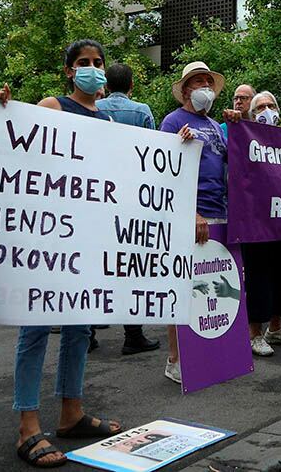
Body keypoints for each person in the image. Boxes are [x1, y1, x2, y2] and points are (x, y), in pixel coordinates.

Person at [0, 39, 123, 468]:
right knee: (36, 328)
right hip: (48, 235)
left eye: (98, 63)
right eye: (83, 63)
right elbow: (15, 146)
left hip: (86, 236)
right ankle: (28, 425)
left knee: (79, 328)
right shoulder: (53, 106)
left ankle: (71, 413)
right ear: (69, 71)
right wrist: (1, 110)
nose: (93, 69)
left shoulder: (107, 119)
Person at [159, 61, 226, 378]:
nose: (206, 89)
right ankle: (175, 360)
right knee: (182, 288)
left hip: (219, 213)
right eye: (198, 83)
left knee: (210, 289)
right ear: (185, 90)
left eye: (209, 83)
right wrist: (193, 213)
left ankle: (206, 355)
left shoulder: (214, 126)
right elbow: (166, 174)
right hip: (191, 215)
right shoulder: (173, 122)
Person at [95, 63, 161, 357]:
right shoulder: (142, 111)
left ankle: (87, 331)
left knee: (96, 263)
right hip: (134, 198)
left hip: (99, 197)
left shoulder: (92, 108)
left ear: (106, 84)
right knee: (132, 265)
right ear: (132, 85)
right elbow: (156, 154)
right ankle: (132, 334)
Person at [240, 91, 281, 357]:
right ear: (253, 114)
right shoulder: (244, 136)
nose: (267, 109)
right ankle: (254, 333)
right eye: (261, 106)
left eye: (271, 105)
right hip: (255, 220)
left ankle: (275, 328)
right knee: (258, 276)